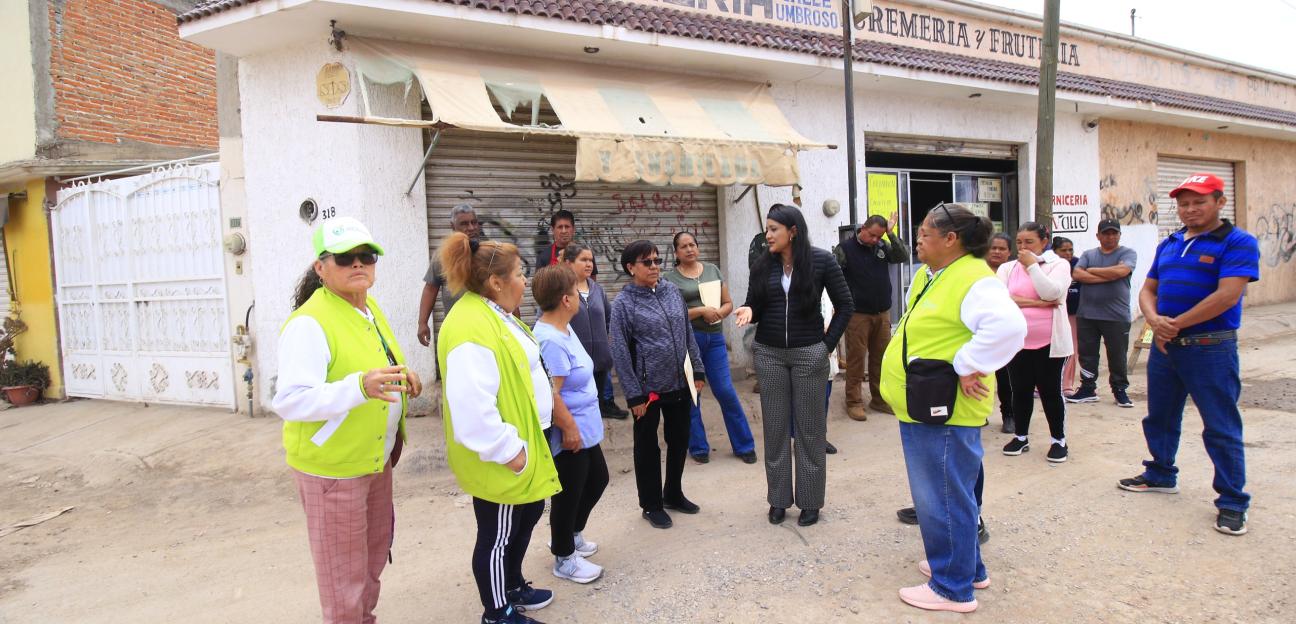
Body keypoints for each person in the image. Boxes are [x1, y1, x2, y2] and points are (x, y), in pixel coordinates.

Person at [273, 216, 422, 623]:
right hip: (334, 471)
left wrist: (401, 374)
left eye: (366, 256)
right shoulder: (309, 323)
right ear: (321, 268)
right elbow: (290, 400)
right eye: (344, 258)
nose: (358, 264)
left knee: (371, 563)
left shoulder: (366, 307)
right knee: (343, 580)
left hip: (373, 460)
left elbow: (374, 366)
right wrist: (358, 387)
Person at [879, 203, 1026, 613]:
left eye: (925, 233)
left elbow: (1011, 328)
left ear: (951, 240)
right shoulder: (940, 274)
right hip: (925, 405)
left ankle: (952, 586)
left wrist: (967, 364)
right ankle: (968, 567)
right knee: (955, 491)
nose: (918, 239)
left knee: (942, 495)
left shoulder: (974, 279)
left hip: (943, 409)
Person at [1117, 173, 1260, 537]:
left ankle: (1232, 502)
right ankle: (1161, 473)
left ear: (1219, 202)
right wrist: (1152, 319)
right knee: (1160, 416)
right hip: (1167, 346)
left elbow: (1228, 295)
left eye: (1199, 201)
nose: (1190, 209)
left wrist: (1175, 323)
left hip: (1210, 347)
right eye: (1184, 203)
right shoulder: (1172, 242)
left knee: (1220, 425)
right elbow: (1148, 289)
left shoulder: (1238, 242)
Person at [437, 232, 562, 624]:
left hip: (526, 439)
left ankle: (512, 584)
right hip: (504, 452)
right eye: (521, 273)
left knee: (525, 519)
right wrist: (511, 452)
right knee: (497, 535)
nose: (526, 281)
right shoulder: (470, 327)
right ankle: (498, 612)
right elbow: (472, 407)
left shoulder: (494, 314)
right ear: (496, 281)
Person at [735, 203, 853, 528]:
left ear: (793, 231)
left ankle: (810, 502)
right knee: (775, 430)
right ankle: (778, 500)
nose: (768, 234)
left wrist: (824, 348)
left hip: (808, 355)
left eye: (774, 229)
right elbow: (754, 303)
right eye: (768, 229)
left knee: (809, 431)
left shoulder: (822, 261)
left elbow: (845, 305)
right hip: (770, 354)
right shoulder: (762, 265)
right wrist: (748, 311)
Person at [609, 240, 706, 530]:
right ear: (631, 268)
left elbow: (687, 332)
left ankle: (673, 493)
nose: (653, 267)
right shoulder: (624, 304)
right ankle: (651, 504)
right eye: (646, 262)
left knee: (679, 440)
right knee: (647, 447)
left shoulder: (672, 292)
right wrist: (633, 394)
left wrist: (697, 368)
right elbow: (620, 351)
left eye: (656, 261)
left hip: (679, 382)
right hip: (647, 391)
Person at [532, 265, 609, 585]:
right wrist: (569, 429)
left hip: (585, 424)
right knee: (568, 494)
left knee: (597, 480)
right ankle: (563, 557)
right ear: (566, 299)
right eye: (576, 291)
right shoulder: (549, 338)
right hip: (570, 429)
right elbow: (552, 393)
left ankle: (571, 535)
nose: (581, 295)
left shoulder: (565, 327)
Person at [663, 231, 757, 465]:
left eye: (692, 244)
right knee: (693, 394)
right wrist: (701, 311)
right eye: (683, 246)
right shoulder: (669, 279)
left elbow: (728, 304)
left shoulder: (713, 270)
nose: (689, 249)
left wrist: (720, 313)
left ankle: (744, 445)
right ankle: (698, 447)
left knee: (725, 390)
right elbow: (670, 313)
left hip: (714, 339)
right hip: (687, 340)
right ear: (676, 252)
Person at [997, 222, 1074, 463]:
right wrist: (1037, 303)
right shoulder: (1008, 268)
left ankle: (1058, 440)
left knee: (1051, 392)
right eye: (1019, 243)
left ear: (1044, 241)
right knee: (1019, 391)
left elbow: (1051, 292)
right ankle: (1021, 436)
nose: (1023, 247)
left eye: (1029, 242)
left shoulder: (1058, 265)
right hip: (1018, 343)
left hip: (1049, 344)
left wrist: (1032, 267)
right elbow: (999, 299)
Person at [834, 213, 908, 420]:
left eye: (880, 236)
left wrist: (891, 234)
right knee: (857, 359)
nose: (876, 240)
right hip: (857, 314)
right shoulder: (845, 249)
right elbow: (833, 276)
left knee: (881, 358)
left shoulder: (883, 246)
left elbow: (902, 256)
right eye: (873, 235)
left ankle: (879, 399)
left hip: (882, 313)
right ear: (864, 228)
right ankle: (854, 401)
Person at [1068, 219, 1138, 408]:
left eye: (1114, 233)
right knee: (1087, 354)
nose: (1110, 237)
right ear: (1098, 236)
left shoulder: (1128, 253)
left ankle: (1120, 390)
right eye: (1106, 233)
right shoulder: (1088, 254)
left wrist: (1092, 272)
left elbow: (1122, 271)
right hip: (1087, 314)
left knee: (1117, 355)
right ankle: (1087, 388)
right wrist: (1109, 274)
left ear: (1120, 235)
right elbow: (1077, 274)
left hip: (1116, 315)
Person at [561, 243, 628, 420]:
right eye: (583, 260)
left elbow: (609, 319)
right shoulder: (561, 291)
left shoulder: (597, 289)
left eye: (591, 260)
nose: (589, 264)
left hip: (599, 362)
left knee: (594, 410)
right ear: (568, 263)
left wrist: (606, 342)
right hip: (574, 365)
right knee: (578, 412)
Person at [418, 203, 482, 347]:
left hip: (485, 326)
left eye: (474, 222)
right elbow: (430, 288)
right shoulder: (443, 256)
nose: (471, 228)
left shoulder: (487, 253)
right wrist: (422, 323)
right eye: (464, 224)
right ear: (453, 226)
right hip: (456, 328)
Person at [987, 233, 1016, 434]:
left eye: (1002, 249)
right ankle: (978, 415)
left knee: (1007, 377)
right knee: (979, 375)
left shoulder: (1015, 272)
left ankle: (1009, 415)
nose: (997, 252)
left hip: (1006, 332)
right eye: (993, 248)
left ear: (1009, 252)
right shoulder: (976, 271)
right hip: (981, 331)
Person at [1052, 236, 1082, 395]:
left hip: (1073, 313)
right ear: (1054, 251)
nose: (1068, 253)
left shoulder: (1078, 264)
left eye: (1070, 250)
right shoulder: (1049, 266)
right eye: (1063, 250)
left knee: (1071, 348)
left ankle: (1067, 384)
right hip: (1053, 312)